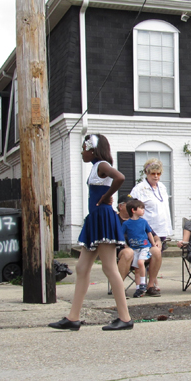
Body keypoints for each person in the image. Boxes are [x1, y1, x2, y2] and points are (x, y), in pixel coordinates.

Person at [49, 134, 133, 331]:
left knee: (109, 268)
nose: (81, 152)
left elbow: (120, 177)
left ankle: (125, 317)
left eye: (84, 148)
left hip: (102, 218)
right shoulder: (97, 167)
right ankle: (73, 317)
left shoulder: (102, 164)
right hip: (95, 219)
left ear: (93, 149)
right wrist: (105, 196)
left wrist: (106, 196)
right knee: (81, 268)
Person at [130, 158, 170, 295]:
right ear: (147, 173)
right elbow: (132, 208)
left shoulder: (162, 187)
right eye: (153, 173)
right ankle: (148, 284)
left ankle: (152, 281)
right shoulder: (139, 189)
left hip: (161, 227)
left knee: (157, 256)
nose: (156, 176)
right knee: (148, 255)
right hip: (147, 230)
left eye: (158, 173)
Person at [116, 195, 163, 297]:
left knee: (156, 251)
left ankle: (150, 286)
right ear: (121, 206)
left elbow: (152, 234)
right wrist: (125, 246)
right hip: (122, 249)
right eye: (129, 204)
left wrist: (157, 241)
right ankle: (118, 287)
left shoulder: (141, 221)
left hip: (143, 249)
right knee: (129, 252)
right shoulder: (115, 220)